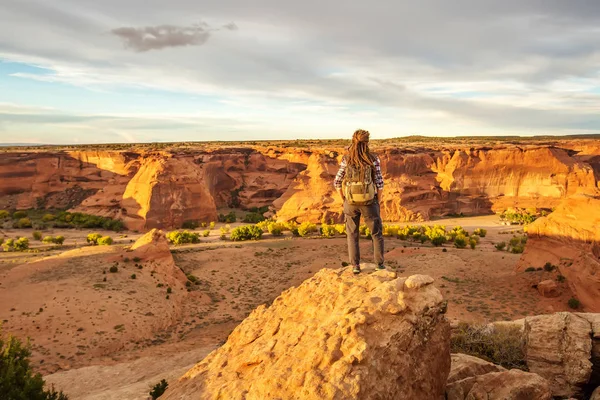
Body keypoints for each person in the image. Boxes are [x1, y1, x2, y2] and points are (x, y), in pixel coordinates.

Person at [333, 129, 385, 274]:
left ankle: (355, 266)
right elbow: (380, 183)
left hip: (350, 202)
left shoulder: (346, 159)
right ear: (367, 142)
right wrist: (377, 201)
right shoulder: (373, 159)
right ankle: (379, 265)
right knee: (376, 233)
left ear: (353, 141)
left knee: (352, 234)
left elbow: (337, 182)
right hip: (369, 202)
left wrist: (343, 198)